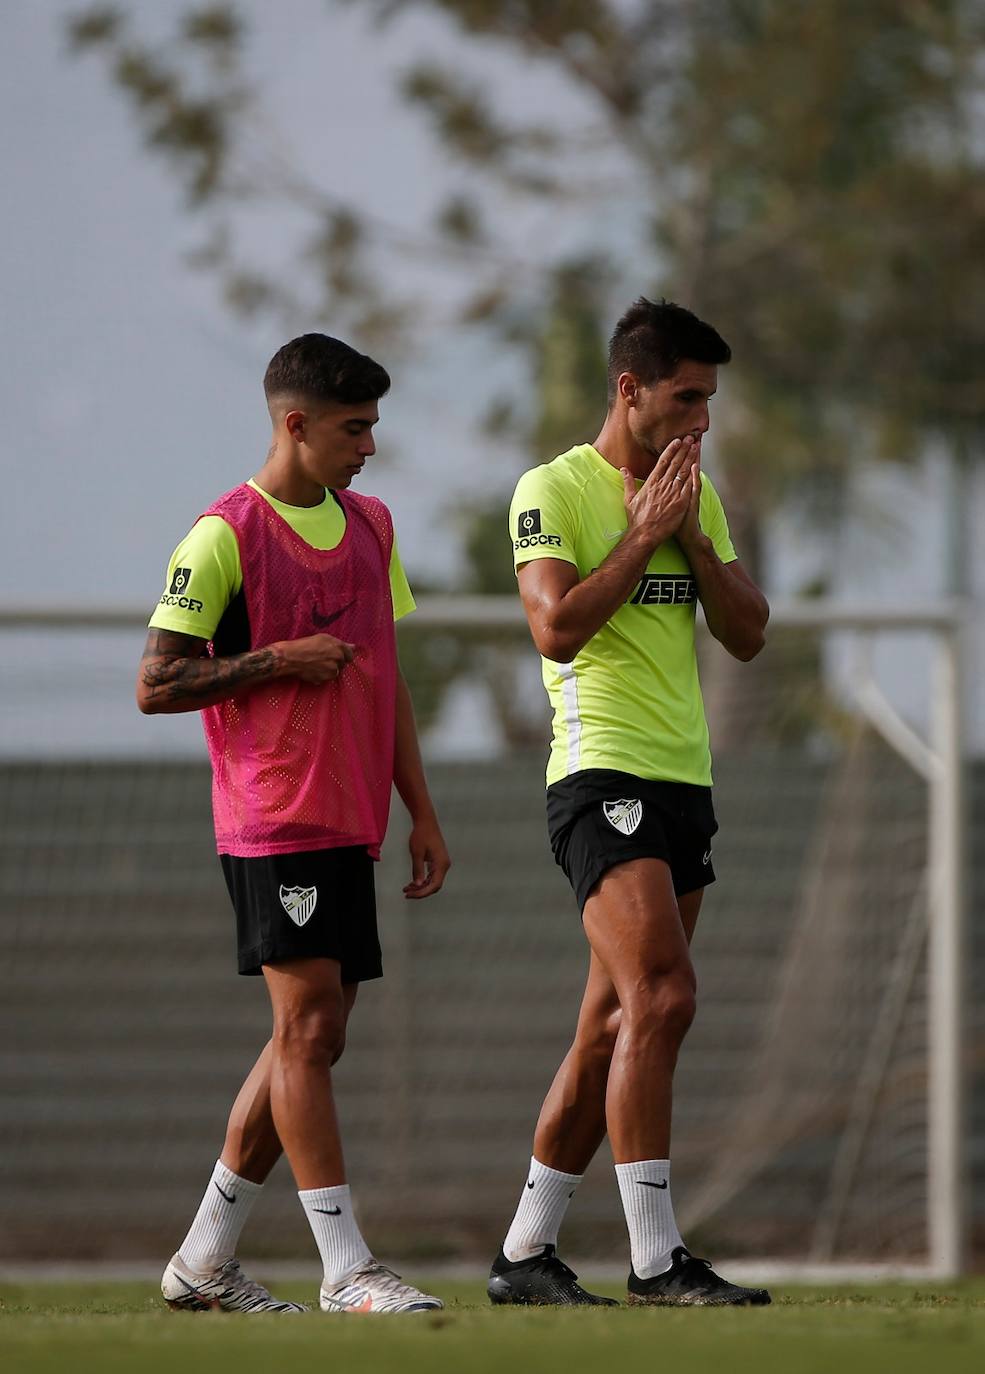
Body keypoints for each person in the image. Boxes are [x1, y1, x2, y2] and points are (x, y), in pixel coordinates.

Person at [137, 333, 450, 1315]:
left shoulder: (374, 527)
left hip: (349, 819)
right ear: (294, 423)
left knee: (308, 1041)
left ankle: (204, 1259)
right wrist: (277, 659)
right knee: (308, 1031)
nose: (368, 446)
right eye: (354, 428)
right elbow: (155, 682)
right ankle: (347, 1268)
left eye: (373, 426)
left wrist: (420, 811)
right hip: (272, 820)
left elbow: (383, 677)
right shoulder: (222, 534)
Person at [489, 298, 771, 1308]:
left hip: (683, 782)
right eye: (686, 398)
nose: (701, 420)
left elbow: (746, 634)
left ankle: (525, 1253)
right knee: (665, 994)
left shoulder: (696, 493)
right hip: (599, 777)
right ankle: (656, 1262)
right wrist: (638, 533)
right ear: (629, 389)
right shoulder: (552, 488)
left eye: (709, 401)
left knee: (612, 1027)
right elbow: (555, 628)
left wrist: (690, 540)